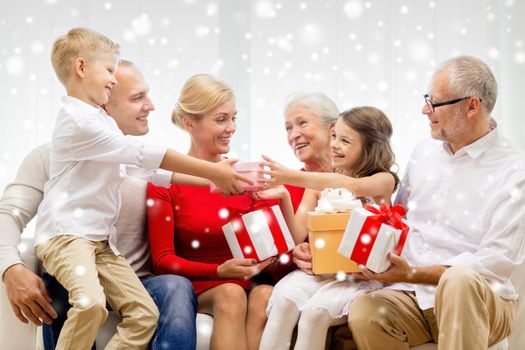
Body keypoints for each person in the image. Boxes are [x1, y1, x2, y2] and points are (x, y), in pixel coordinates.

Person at [34, 27, 251, 350]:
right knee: (90, 304)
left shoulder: (102, 126)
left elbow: (149, 171)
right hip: (68, 239)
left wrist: (212, 181)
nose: (111, 79)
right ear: (81, 68)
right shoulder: (79, 123)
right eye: (108, 70)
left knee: (143, 315)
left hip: (99, 244)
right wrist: (212, 172)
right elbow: (144, 155)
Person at [0, 58, 200, 348]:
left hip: (133, 281)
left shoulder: (146, 162)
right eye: (137, 98)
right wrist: (11, 268)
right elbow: (9, 212)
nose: (151, 105)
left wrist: (225, 176)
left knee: (176, 287)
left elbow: (189, 179)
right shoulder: (52, 156)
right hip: (72, 280)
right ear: (104, 104)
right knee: (61, 288)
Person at [340, 55, 524, 350]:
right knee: (366, 312)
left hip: (482, 298)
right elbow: (396, 221)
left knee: (460, 280)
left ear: (471, 107)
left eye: (435, 103)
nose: (425, 110)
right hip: (412, 294)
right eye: (427, 99)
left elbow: (494, 263)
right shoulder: (424, 152)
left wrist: (414, 273)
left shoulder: (515, 171)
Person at [146, 74, 276, 350]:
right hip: (200, 284)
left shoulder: (244, 177)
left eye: (233, 118)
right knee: (231, 294)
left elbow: (268, 241)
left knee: (264, 294)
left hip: (247, 282)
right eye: (221, 119)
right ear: (189, 123)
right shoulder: (166, 183)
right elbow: (162, 260)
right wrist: (219, 270)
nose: (231, 128)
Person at [256, 106, 399, 350]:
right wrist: (284, 197)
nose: (334, 145)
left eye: (345, 140)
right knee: (284, 303)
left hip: (359, 279)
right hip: (321, 273)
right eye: (334, 136)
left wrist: (289, 176)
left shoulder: (382, 180)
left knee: (315, 313)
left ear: (369, 147)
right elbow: (296, 234)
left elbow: (350, 185)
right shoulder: (320, 182)